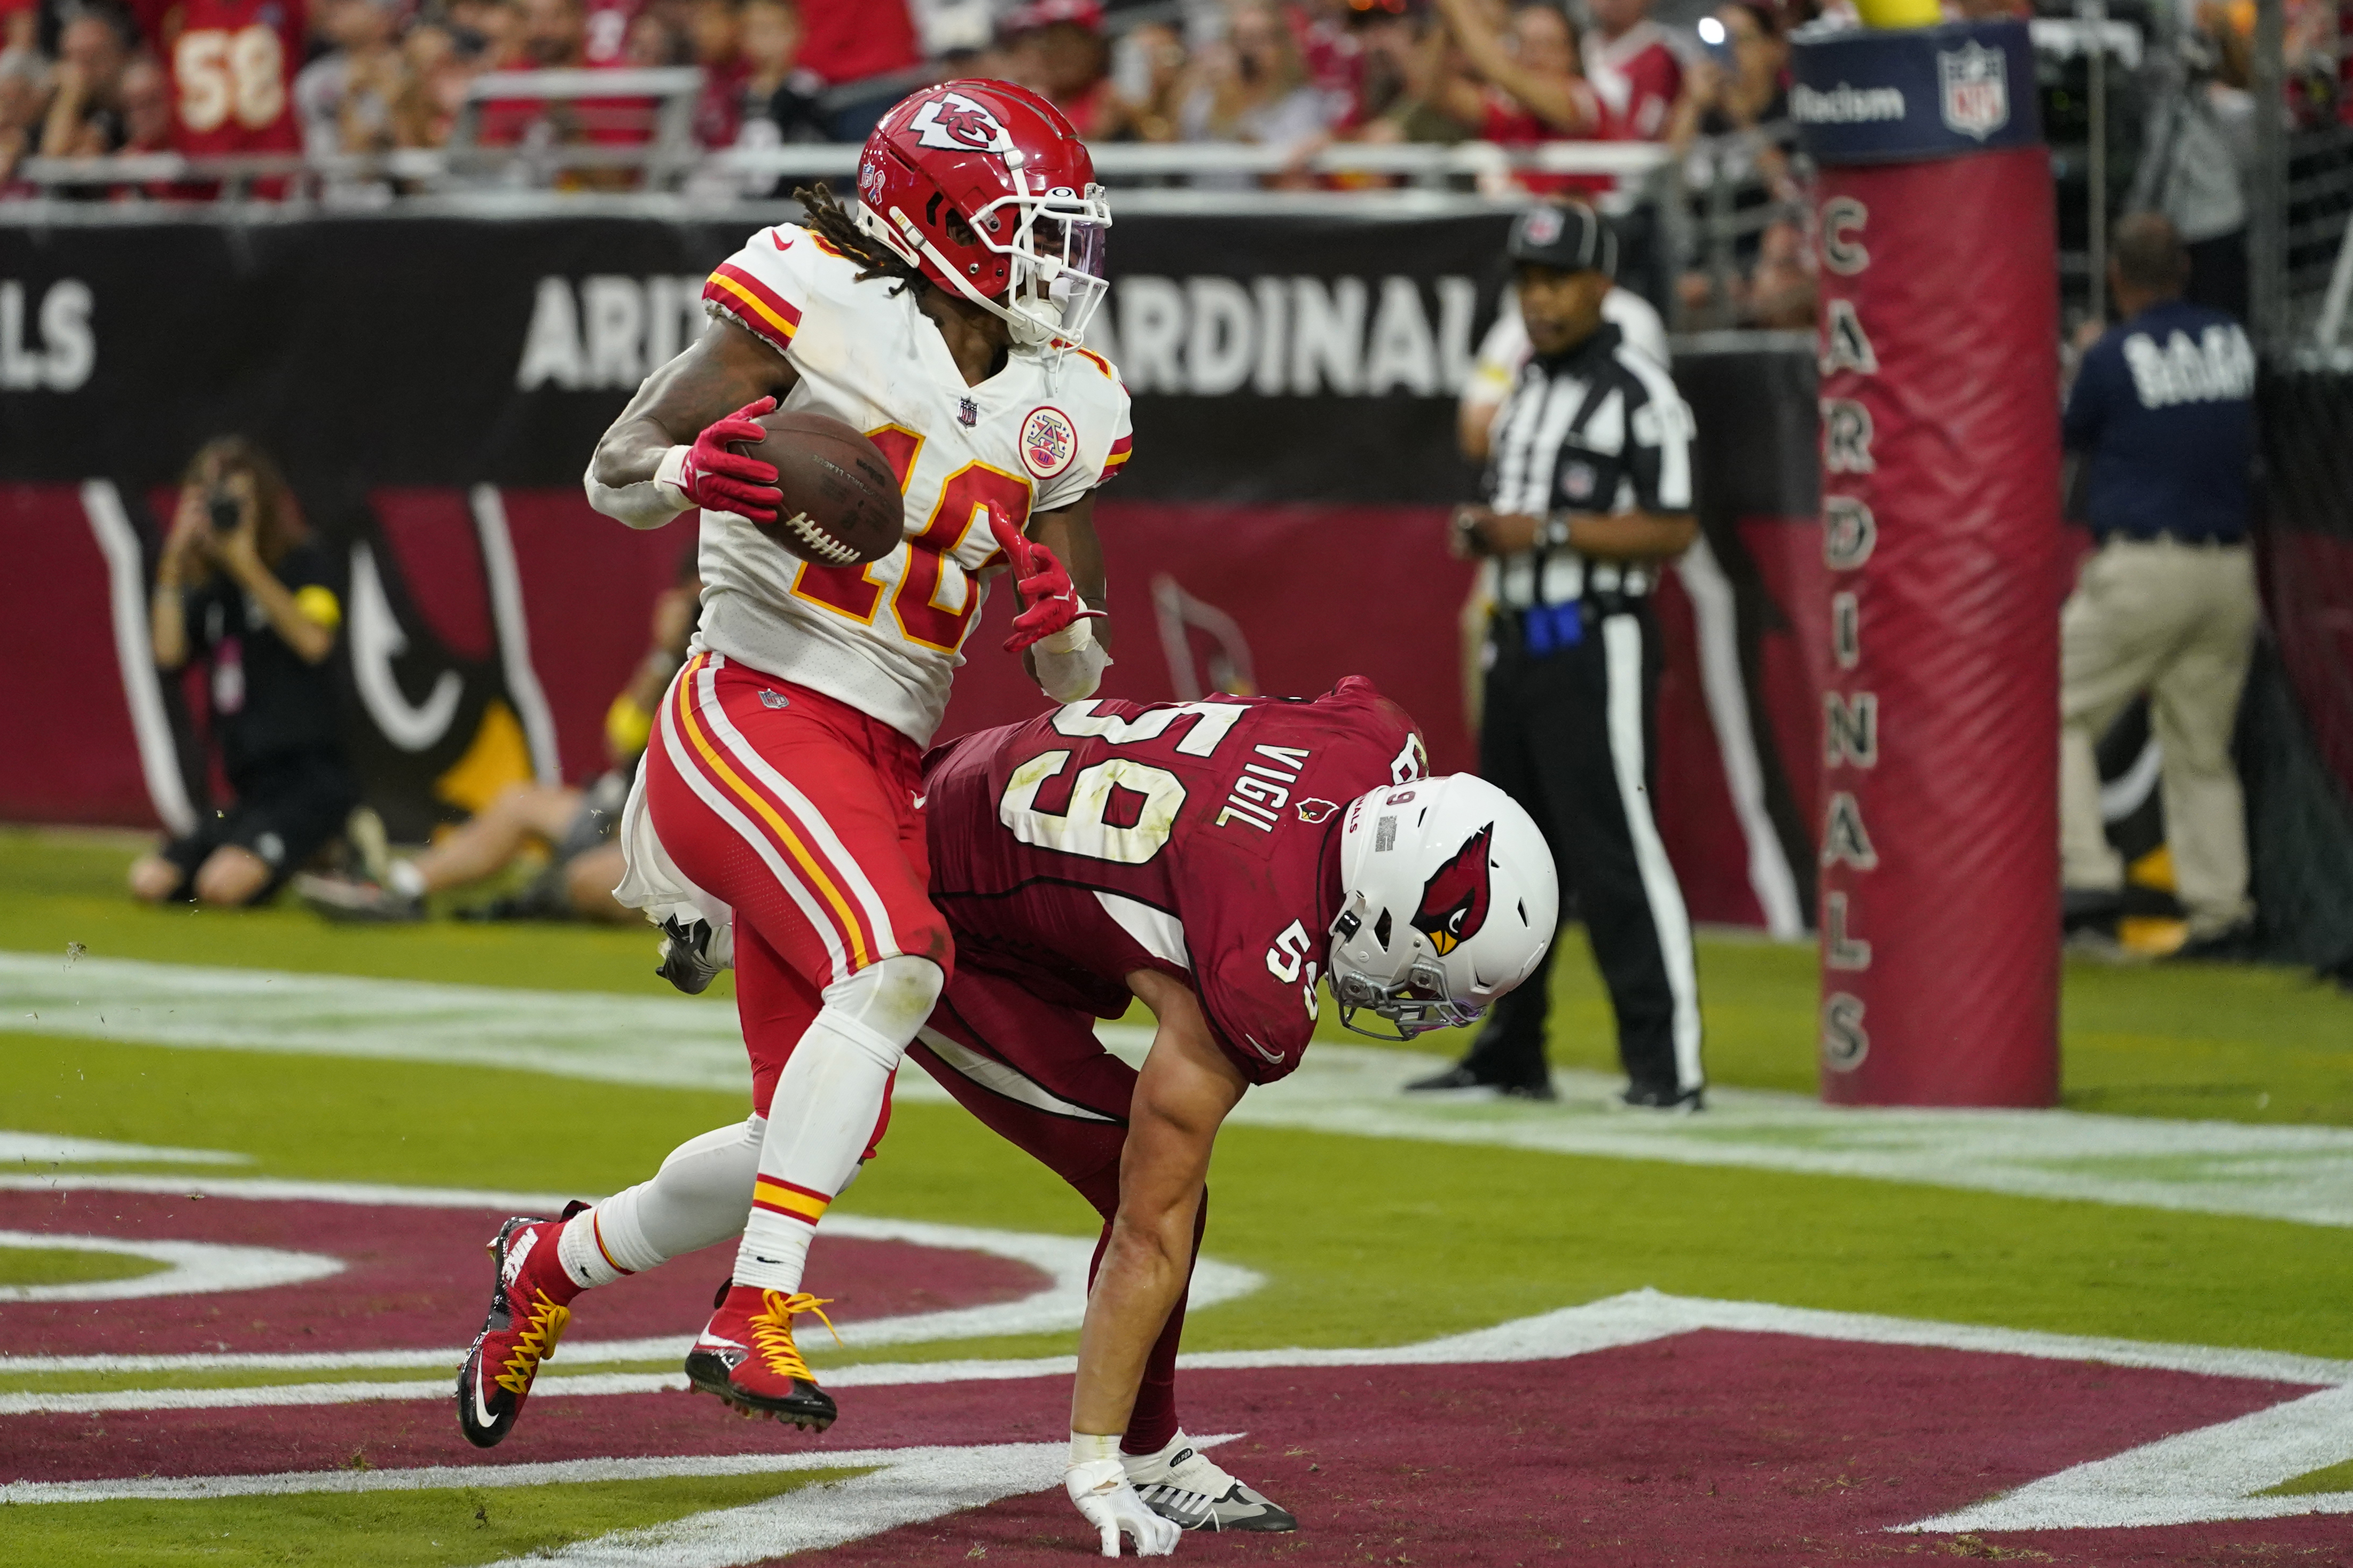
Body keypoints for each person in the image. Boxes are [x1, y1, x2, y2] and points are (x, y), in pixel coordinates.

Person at [457, 682, 1558, 1553]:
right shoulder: (1254, 968)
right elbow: (1148, 1227)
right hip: (946, 909)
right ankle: (1142, 1444)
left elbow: (1256, 756)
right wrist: (1087, 1463)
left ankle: (549, 1258)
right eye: (1428, 979)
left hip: (964, 800)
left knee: (786, 1141)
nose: (1417, 1007)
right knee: (1141, 1176)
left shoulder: (1371, 741)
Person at [453, 79, 1127, 1446]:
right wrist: (702, 471)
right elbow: (614, 466)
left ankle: (551, 1264)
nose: (1057, 264)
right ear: (940, 223)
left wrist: (1059, 633)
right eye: (1029, 230)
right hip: (749, 705)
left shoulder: (1063, 399)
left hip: (880, 754)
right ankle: (752, 1311)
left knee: (807, 1133)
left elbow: (1078, 671)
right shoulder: (813, 294)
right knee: (896, 964)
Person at [1406, 201, 1706, 1110]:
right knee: (1504, 862)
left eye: (1558, 280)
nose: (1540, 299)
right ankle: (1511, 1048)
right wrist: (1491, 534)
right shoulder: (1529, 384)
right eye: (1529, 283)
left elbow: (1675, 526)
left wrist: (1549, 531)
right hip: (1518, 640)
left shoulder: (1641, 392)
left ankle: (1667, 1067)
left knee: (1617, 855)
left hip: (1596, 639)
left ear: (1602, 284)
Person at [2059, 212, 2260, 956]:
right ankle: (2220, 912)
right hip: (2229, 569)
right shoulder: (2231, 340)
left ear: (2117, 278)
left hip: (2147, 566)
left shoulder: (2112, 355)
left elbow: (2067, 433)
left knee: (2048, 707)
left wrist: (2083, 359)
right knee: (2201, 750)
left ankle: (2084, 871)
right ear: (2184, 271)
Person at [292, 564, 703, 924]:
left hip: (690, 845)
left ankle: (693, 920)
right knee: (518, 802)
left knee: (587, 880)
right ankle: (401, 888)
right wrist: (665, 654)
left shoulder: (741, 660)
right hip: (627, 821)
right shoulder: (674, 660)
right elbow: (621, 739)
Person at [129, 438, 357, 908]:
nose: (224, 512)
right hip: (249, 791)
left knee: (220, 888)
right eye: (211, 500)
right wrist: (173, 563)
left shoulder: (304, 564)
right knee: (150, 881)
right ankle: (295, 851)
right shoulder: (213, 590)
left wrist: (246, 563)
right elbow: (168, 655)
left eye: (235, 501)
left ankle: (325, 844)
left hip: (311, 783)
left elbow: (314, 641)